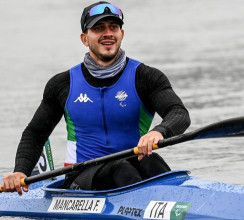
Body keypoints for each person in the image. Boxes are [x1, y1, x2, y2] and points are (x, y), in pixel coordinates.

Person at [0, 1, 190, 195]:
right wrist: (20, 172)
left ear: (121, 35)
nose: (107, 33)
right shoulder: (62, 84)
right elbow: (35, 133)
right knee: (121, 169)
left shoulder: (146, 77)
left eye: (113, 27)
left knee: (152, 161)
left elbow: (179, 113)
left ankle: (179, 201)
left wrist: (159, 131)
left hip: (133, 164)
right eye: (98, 28)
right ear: (84, 38)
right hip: (81, 177)